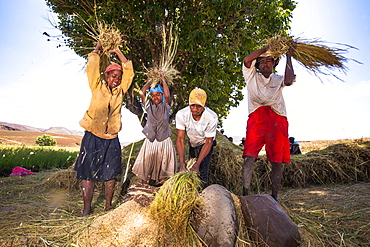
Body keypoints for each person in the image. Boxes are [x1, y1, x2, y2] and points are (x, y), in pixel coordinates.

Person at [74, 41, 134, 216]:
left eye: (119, 77)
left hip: (111, 137)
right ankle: (87, 208)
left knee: (111, 172)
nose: (116, 79)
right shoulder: (96, 86)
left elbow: (129, 71)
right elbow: (92, 65)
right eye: (113, 76)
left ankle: (108, 206)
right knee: (88, 172)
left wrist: (117, 51)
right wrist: (98, 47)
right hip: (92, 135)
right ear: (106, 75)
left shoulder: (121, 91)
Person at [241, 45, 295, 201]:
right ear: (257, 65)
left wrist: (289, 56)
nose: (265, 64)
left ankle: (274, 198)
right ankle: (245, 195)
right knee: (248, 158)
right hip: (257, 120)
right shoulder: (251, 76)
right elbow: (246, 59)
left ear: (274, 64)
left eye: (269, 61)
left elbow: (289, 80)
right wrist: (267, 47)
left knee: (276, 161)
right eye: (262, 62)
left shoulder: (278, 79)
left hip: (277, 120)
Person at [132, 73, 177, 186]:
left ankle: (162, 188)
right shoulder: (148, 106)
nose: (155, 97)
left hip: (163, 140)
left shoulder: (166, 106)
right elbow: (142, 93)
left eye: (158, 95)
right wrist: (150, 80)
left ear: (161, 95)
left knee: (164, 168)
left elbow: (167, 96)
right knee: (146, 165)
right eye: (153, 95)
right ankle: (144, 186)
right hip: (150, 140)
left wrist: (163, 79)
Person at [176, 88, 218, 188]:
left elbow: (209, 142)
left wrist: (198, 164)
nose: (195, 109)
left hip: (206, 143)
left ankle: (202, 194)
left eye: (199, 106)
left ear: (205, 105)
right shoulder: (182, 114)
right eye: (192, 105)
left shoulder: (211, 117)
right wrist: (182, 164)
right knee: (190, 168)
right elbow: (180, 139)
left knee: (202, 170)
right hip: (193, 143)